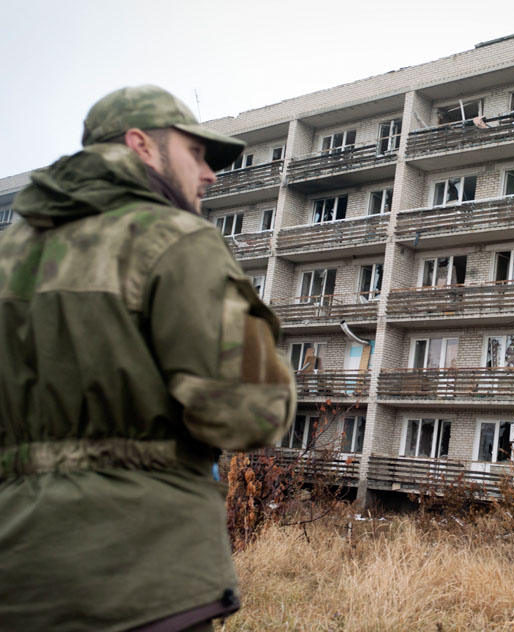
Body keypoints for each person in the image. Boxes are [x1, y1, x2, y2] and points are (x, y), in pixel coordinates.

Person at [0, 85, 296, 631]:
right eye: (196, 154)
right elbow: (249, 412)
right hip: (147, 579)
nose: (209, 174)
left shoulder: (8, 254)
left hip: (17, 577)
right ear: (141, 144)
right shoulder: (175, 240)